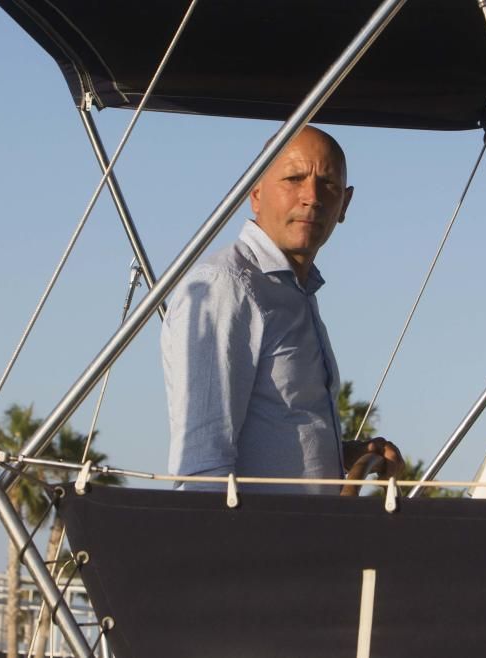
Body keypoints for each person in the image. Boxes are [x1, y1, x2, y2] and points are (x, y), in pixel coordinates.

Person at [161, 126, 403, 493]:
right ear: (254, 193)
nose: (312, 198)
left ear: (345, 205)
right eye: (293, 179)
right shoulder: (227, 285)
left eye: (329, 186)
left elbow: (277, 433)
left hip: (308, 539)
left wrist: (342, 458)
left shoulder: (295, 292)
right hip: (257, 545)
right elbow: (202, 470)